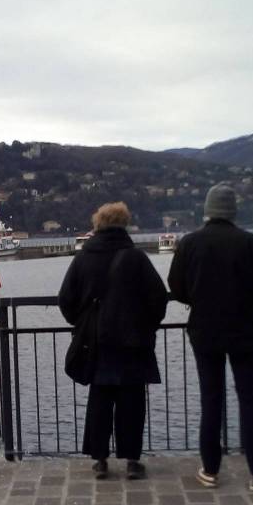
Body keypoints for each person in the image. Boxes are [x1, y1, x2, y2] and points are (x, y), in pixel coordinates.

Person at [168, 183, 253, 492]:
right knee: (250, 401)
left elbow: (176, 287)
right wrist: (247, 299)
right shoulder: (250, 243)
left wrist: (198, 297)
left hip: (204, 331)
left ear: (207, 211)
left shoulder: (190, 244)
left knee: (211, 400)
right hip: (245, 330)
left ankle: (210, 470)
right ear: (233, 211)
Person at [58, 202, 167, 480]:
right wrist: (146, 326)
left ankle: (101, 460)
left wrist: (82, 324)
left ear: (98, 224)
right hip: (133, 342)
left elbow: (66, 300)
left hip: (96, 341)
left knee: (100, 400)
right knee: (132, 401)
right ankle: (132, 461)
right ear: (125, 224)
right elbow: (158, 298)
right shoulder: (136, 257)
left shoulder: (84, 257)